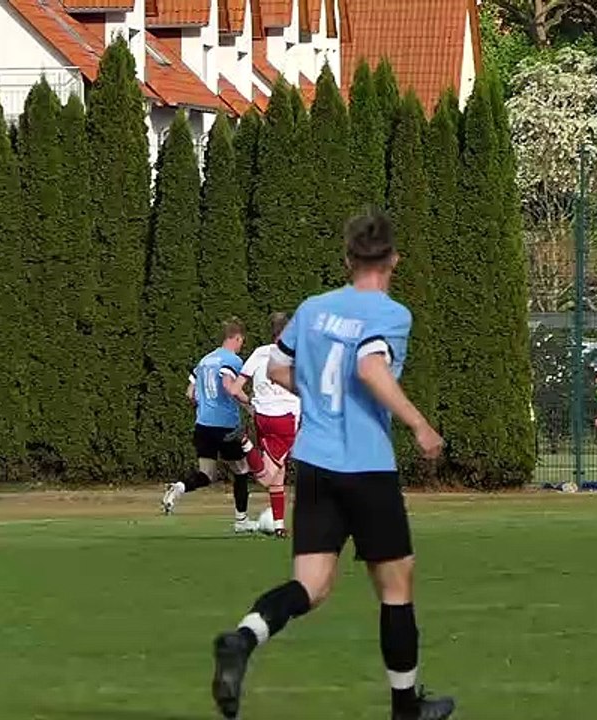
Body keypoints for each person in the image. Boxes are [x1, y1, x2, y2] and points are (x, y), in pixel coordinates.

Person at [209, 210, 454, 720]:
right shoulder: (391, 313)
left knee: (310, 586)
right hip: (366, 465)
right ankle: (405, 709)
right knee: (395, 588)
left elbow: (278, 366)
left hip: (315, 465)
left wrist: (320, 394)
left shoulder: (315, 308)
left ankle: (244, 637)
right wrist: (419, 424)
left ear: (347, 259)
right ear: (393, 260)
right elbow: (369, 366)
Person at [161, 318, 264, 533]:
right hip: (225, 425)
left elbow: (190, 393)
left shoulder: (205, 360)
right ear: (237, 338)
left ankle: (179, 488)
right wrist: (250, 403)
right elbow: (229, 386)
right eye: (241, 341)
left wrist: (205, 406)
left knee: (206, 474)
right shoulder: (232, 360)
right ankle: (241, 521)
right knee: (242, 469)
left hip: (203, 425)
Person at [236, 312, 302, 538]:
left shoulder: (259, 352)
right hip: (284, 418)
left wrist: (250, 406)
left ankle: (279, 525)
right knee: (265, 476)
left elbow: (235, 388)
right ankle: (244, 443)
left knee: (279, 472)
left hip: (262, 416)